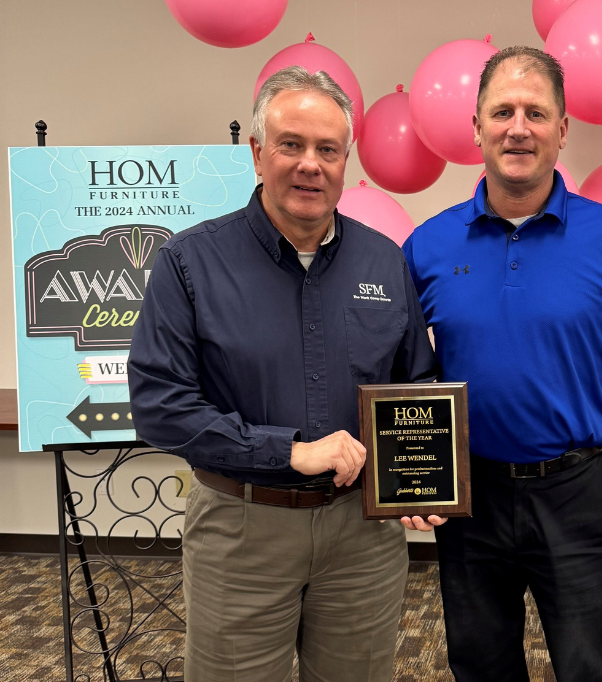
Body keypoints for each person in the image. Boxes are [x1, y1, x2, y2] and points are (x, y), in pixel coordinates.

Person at [127, 66, 438, 682]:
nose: (309, 165)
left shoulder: (385, 259)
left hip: (362, 537)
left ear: (346, 160)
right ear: (257, 153)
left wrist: (419, 476)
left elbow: (416, 385)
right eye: (291, 145)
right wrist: (287, 452)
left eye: (328, 149)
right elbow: (160, 405)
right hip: (242, 528)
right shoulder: (189, 263)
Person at [400, 47, 602, 682]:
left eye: (536, 112)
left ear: (562, 130)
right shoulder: (427, 244)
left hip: (575, 492)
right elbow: (393, 367)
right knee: (479, 665)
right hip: (469, 497)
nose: (518, 127)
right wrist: (408, 475)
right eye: (501, 111)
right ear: (476, 127)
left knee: (590, 666)